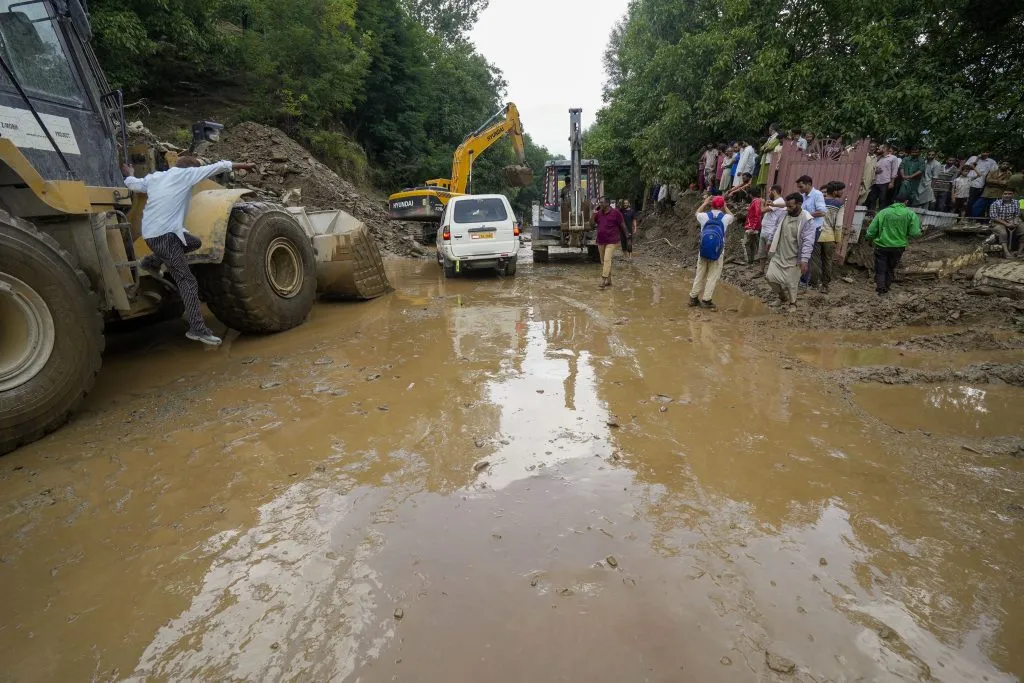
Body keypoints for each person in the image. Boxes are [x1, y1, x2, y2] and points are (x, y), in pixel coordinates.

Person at [122, 156, 255, 346]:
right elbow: (218, 166)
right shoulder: (188, 174)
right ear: (191, 168)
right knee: (188, 282)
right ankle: (197, 329)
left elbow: (134, 185)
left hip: (152, 235)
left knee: (193, 242)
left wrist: (129, 174)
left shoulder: (156, 178)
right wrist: (244, 164)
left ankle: (152, 262)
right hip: (164, 237)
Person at [762, 193, 815, 311]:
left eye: (791, 206)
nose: (788, 209)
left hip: (795, 256)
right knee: (769, 277)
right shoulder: (784, 214)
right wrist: (769, 242)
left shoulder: (807, 219)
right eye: (787, 206)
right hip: (779, 253)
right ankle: (782, 297)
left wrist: (804, 259)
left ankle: (793, 303)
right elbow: (776, 228)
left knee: (792, 282)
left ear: (799, 204)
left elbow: (808, 241)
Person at [865, 198, 922, 296]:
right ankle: (886, 287)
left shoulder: (883, 212)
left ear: (894, 201)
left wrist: (868, 238)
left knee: (880, 269)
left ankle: (881, 290)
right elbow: (915, 232)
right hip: (898, 247)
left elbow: (871, 230)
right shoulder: (910, 214)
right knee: (890, 268)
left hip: (882, 245)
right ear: (906, 201)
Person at [689, 195, 734, 310]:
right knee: (712, 276)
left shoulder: (704, 216)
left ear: (711, 204)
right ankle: (706, 300)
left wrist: (704, 203)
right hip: (718, 252)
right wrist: (726, 207)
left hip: (703, 250)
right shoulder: (725, 218)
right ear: (722, 206)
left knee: (700, 274)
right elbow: (732, 216)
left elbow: (696, 213)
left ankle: (693, 298)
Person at [811, 181, 846, 293]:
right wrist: (837, 240)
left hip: (816, 233)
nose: (842, 192)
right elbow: (839, 224)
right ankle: (825, 286)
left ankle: (813, 284)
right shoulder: (839, 204)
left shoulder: (818, 202)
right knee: (827, 260)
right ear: (835, 191)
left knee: (815, 260)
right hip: (829, 236)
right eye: (841, 190)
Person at [796, 174, 826, 286]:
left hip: (815, 229)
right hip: (805, 228)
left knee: (808, 254)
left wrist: (806, 215)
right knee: (803, 252)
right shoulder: (803, 196)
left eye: (801, 186)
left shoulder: (817, 194)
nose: (800, 189)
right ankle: (802, 278)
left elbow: (822, 212)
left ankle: (805, 281)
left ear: (809, 184)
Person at [592, 197, 626, 288]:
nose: (600, 204)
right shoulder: (599, 214)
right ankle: (609, 281)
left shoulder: (616, 213)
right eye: (599, 203)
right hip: (601, 241)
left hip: (612, 241)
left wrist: (627, 235)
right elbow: (592, 223)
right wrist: (594, 212)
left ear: (607, 203)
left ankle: (603, 280)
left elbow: (622, 224)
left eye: (602, 203)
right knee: (604, 262)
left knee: (607, 259)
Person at [987, 189, 1021, 258]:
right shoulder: (995, 204)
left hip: (1011, 220)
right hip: (997, 222)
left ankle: (1019, 252)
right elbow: (994, 217)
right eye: (1005, 194)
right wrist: (1006, 224)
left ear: (1013, 195)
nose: (1007, 195)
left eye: (1009, 194)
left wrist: (1014, 221)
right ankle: (1006, 252)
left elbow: (1017, 214)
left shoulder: (1016, 202)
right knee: (1003, 233)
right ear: (1002, 195)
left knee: (1022, 229)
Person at [758, 185, 787, 263]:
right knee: (762, 253)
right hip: (765, 230)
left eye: (769, 191)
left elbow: (762, 210)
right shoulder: (775, 202)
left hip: (770, 231)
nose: (768, 193)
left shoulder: (779, 201)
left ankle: (769, 272)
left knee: (770, 253)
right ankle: (761, 271)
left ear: (774, 192)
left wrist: (762, 203)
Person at [867, 144, 900, 211]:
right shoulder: (877, 158)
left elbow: (894, 171)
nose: (878, 150)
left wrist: (892, 182)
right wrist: (875, 171)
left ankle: (881, 213)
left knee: (883, 199)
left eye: (879, 149)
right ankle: (871, 213)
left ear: (884, 149)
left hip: (885, 182)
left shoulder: (893, 158)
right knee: (872, 198)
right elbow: (873, 169)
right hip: (875, 181)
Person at [741, 194, 763, 265]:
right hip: (754, 226)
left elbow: (757, 214)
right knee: (753, 244)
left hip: (752, 226)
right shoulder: (757, 201)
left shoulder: (756, 202)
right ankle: (754, 260)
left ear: (751, 194)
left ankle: (748, 261)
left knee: (745, 243)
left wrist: (753, 227)